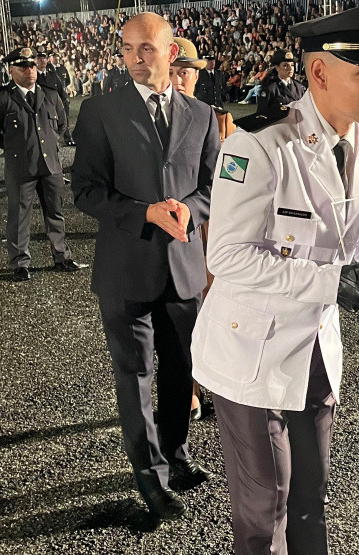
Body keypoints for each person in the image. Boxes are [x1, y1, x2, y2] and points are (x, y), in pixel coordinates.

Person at [190, 4, 359, 553]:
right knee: (266, 509)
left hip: (314, 345)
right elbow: (229, 256)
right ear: (319, 74)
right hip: (250, 348)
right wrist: (334, 283)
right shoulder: (258, 145)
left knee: (312, 497)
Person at [71, 12, 220, 520]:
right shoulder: (99, 112)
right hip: (125, 268)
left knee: (182, 372)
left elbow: (213, 186)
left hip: (182, 268)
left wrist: (188, 211)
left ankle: (175, 457)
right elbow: (86, 191)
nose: (136, 57)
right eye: (128, 48)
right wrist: (144, 213)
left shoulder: (201, 115)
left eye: (147, 48)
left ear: (171, 51)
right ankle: (150, 480)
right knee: (135, 375)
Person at [168, 36, 234, 422]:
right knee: (187, 313)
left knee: (222, 310)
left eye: (186, 72)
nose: (179, 79)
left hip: (222, 227)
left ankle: (218, 382)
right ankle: (190, 388)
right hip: (185, 229)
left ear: (197, 76)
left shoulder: (221, 119)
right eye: (173, 71)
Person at [0, 47, 78, 282]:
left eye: (32, 65)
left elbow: (61, 127)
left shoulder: (51, 94)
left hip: (50, 166)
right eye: (23, 67)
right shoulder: (1, 97)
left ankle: (61, 256)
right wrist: (16, 148)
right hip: (21, 166)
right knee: (19, 216)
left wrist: (48, 148)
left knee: (55, 212)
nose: (30, 70)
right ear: (11, 70)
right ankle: (20, 262)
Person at [35, 50, 74, 146]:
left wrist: (64, 100)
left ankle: (62, 139)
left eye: (44, 58)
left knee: (61, 123)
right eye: (39, 58)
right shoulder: (33, 76)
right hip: (40, 107)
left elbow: (60, 89)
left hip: (53, 105)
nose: (42, 60)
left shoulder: (52, 74)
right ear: (35, 60)